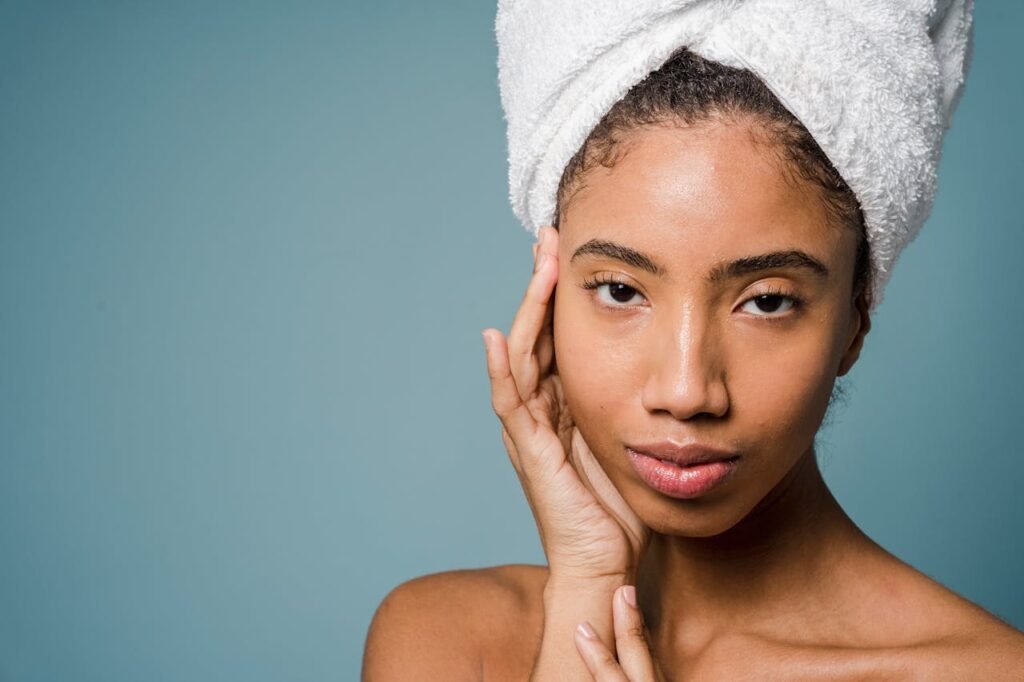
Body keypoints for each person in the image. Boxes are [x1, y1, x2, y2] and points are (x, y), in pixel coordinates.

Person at [362, 41, 1024, 682]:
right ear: (550, 300)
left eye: (766, 302)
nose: (685, 392)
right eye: (621, 291)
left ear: (854, 324)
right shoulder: (444, 642)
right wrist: (587, 584)